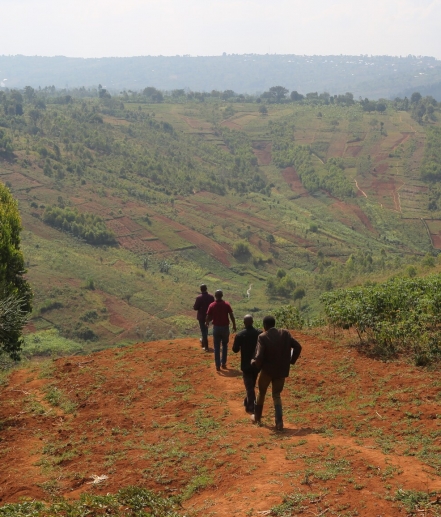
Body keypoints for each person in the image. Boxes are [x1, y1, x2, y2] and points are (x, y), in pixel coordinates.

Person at [251, 315, 302, 431]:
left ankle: (257, 417)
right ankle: (279, 422)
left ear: (265, 326)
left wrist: (255, 363)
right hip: (281, 371)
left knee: (262, 392)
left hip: (267, 371)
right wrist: (291, 361)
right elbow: (298, 346)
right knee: (276, 395)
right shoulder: (285, 333)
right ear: (274, 324)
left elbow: (259, 356)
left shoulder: (262, 337)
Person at [232, 314, 261, 413]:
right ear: (252, 322)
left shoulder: (240, 335)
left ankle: (251, 407)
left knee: (249, 386)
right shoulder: (259, 333)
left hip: (246, 364)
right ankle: (247, 401)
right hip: (257, 364)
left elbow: (235, 349)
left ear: (244, 323)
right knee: (251, 384)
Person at [206, 290, 236, 371]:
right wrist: (234, 325)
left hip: (216, 328)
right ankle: (223, 363)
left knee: (216, 346)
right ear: (222, 295)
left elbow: (208, 316)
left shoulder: (212, 305)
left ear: (215, 296)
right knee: (225, 345)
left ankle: (217, 365)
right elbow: (231, 315)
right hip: (225, 328)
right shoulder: (226, 304)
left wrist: (207, 323)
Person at [193, 284, 214, 351]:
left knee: (203, 330)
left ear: (201, 289)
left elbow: (195, 308)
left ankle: (206, 347)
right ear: (206, 288)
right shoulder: (211, 297)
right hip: (209, 317)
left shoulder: (199, 298)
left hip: (201, 317)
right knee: (206, 329)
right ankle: (203, 342)